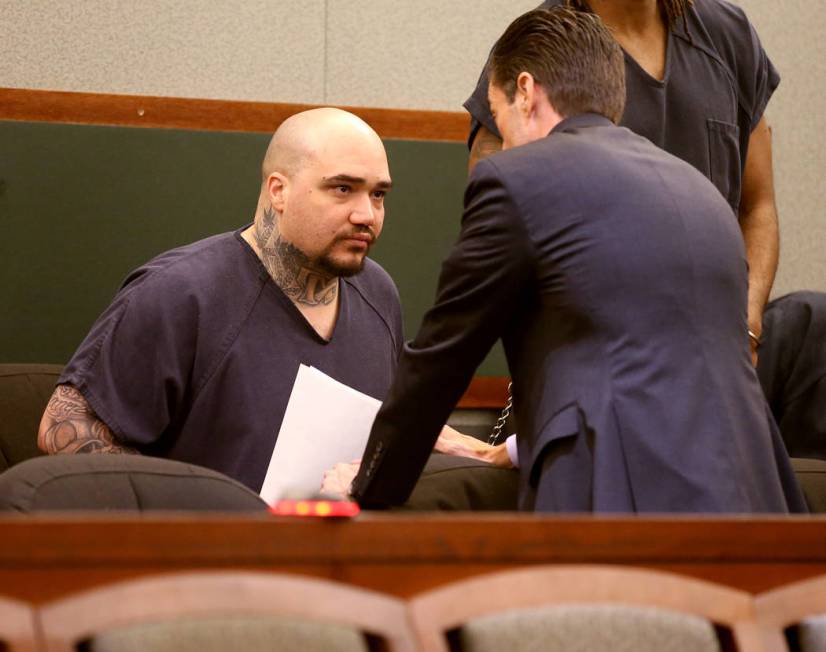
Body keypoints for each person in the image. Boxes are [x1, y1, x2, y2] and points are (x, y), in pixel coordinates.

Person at [335, 7, 807, 513]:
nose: (505, 145)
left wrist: (369, 489)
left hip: (614, 491)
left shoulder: (516, 181)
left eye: (500, 120)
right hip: (751, 487)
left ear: (525, 91)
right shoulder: (702, 193)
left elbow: (441, 360)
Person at [463, 0, 825, 459]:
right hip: (601, 356)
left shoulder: (727, 34)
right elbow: (495, 223)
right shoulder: (542, 41)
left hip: (719, 344)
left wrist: (747, 322)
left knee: (817, 322)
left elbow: (759, 207)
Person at [37, 108, 403, 492]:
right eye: (343, 189)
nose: (367, 214)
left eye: (378, 194)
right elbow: (63, 431)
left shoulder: (379, 294)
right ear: (279, 190)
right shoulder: (181, 292)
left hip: (338, 544)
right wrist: (203, 514)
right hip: (206, 546)